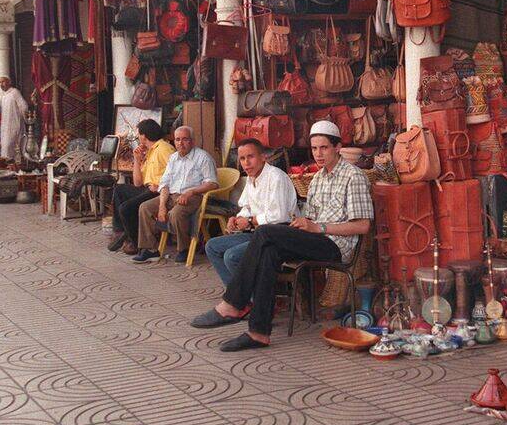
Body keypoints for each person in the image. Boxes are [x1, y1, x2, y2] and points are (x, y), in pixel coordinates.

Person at [190, 121, 373, 352]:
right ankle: (258, 333)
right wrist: (303, 225)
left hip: (335, 245)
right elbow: (310, 219)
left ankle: (233, 303)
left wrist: (320, 228)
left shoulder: (353, 177)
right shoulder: (316, 179)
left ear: (338, 147)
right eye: (314, 148)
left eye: (324, 148)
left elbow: (363, 226)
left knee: (265, 232)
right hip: (313, 238)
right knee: (268, 251)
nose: (318, 154)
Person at [204, 138, 297, 286]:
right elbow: (246, 207)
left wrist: (249, 221)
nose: (246, 163)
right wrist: (236, 219)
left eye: (250, 157)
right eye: (242, 158)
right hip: (258, 234)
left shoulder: (276, 177)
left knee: (232, 256)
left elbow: (278, 216)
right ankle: (236, 298)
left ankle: (252, 299)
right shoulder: (251, 178)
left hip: (279, 235)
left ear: (263, 157)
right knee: (212, 247)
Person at [133, 125, 218, 264]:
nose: (180, 143)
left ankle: (183, 249)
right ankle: (150, 249)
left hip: (195, 196)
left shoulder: (203, 157)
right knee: (145, 207)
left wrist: (190, 192)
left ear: (192, 141)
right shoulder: (173, 158)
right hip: (172, 195)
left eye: (185, 139)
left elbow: (213, 183)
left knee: (176, 213)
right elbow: (165, 184)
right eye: (177, 140)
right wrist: (161, 206)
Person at [108, 119, 174, 254]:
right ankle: (120, 231)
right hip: (146, 188)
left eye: (139, 134)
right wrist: (137, 160)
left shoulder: (164, 148)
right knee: (119, 189)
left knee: (126, 208)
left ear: (144, 135)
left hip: (159, 192)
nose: (138, 137)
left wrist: (160, 185)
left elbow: (176, 171)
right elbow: (137, 182)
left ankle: (135, 242)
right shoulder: (150, 151)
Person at [0, 76, 29, 160]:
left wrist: (24, 119)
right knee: (5, 148)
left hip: (15, 125)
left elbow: (24, 106)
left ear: (9, 82)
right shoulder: (4, 95)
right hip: (6, 127)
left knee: (12, 147)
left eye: (3, 82)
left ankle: (16, 168)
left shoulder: (15, 92)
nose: (1, 84)